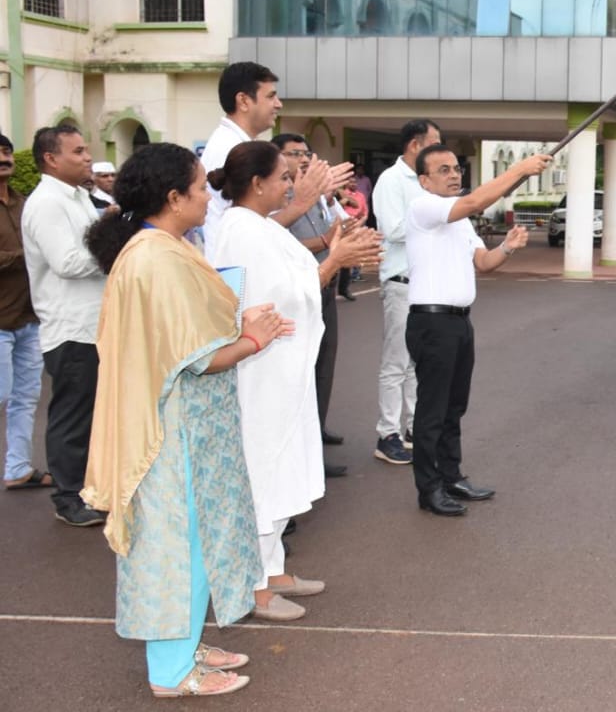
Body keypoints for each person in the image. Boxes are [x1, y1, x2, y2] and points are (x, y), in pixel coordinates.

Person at [82, 142, 290, 698]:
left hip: (188, 427)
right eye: (200, 188)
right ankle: (172, 672)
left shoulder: (163, 246)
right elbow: (196, 357)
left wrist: (240, 321)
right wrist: (253, 339)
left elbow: (192, 326)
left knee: (197, 541)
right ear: (173, 198)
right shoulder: (156, 257)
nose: (207, 196)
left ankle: (183, 646)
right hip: (174, 433)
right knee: (180, 548)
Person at [208, 141, 381, 621]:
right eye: (284, 177)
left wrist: (333, 250)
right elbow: (275, 301)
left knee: (284, 466)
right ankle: (256, 586)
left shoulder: (259, 227)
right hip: (262, 372)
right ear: (258, 183)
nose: (291, 184)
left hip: (283, 369)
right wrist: (334, 262)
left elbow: (298, 273)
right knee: (264, 472)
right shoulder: (241, 231)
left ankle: (275, 569)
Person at [406, 144, 550, 516]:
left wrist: (508, 247)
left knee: (455, 407)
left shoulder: (460, 220)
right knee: (432, 411)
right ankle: (429, 489)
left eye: (456, 168)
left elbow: (484, 263)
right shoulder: (425, 207)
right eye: (444, 170)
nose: (454, 175)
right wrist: (519, 170)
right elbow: (472, 203)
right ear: (424, 180)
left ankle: (451, 476)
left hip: (458, 322)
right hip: (432, 322)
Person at [20, 124, 107, 527]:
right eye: (78, 151)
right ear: (51, 159)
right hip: (71, 328)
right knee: (72, 414)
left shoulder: (78, 198)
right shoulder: (47, 204)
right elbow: (68, 263)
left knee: (91, 413)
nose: (87, 156)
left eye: (86, 148)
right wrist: (113, 247)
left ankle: (87, 489)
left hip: (93, 324)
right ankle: (68, 497)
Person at [198, 61, 351, 256]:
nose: (278, 104)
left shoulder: (239, 144)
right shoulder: (229, 149)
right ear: (244, 101)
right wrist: (304, 199)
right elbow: (249, 227)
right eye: (270, 96)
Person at [270, 133, 352, 473]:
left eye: (306, 153)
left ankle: (315, 432)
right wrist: (326, 240)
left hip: (323, 285)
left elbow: (336, 227)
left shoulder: (315, 195)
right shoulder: (282, 201)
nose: (303, 159)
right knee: (302, 369)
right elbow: (283, 244)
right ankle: (302, 453)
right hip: (299, 288)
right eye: (294, 153)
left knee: (323, 364)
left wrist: (332, 207)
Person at [371, 119, 440, 466]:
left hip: (425, 286)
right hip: (400, 283)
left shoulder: (427, 182)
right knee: (396, 363)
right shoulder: (391, 181)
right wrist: (433, 218)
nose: (439, 150)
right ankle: (387, 434)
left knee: (417, 363)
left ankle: (413, 428)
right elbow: (393, 229)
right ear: (415, 144)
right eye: (434, 142)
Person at [0, 133, 48, 491]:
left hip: (28, 318)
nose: (4, 157)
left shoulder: (24, 203)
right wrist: (27, 255)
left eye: (6, 151)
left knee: (26, 399)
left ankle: (17, 467)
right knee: (3, 395)